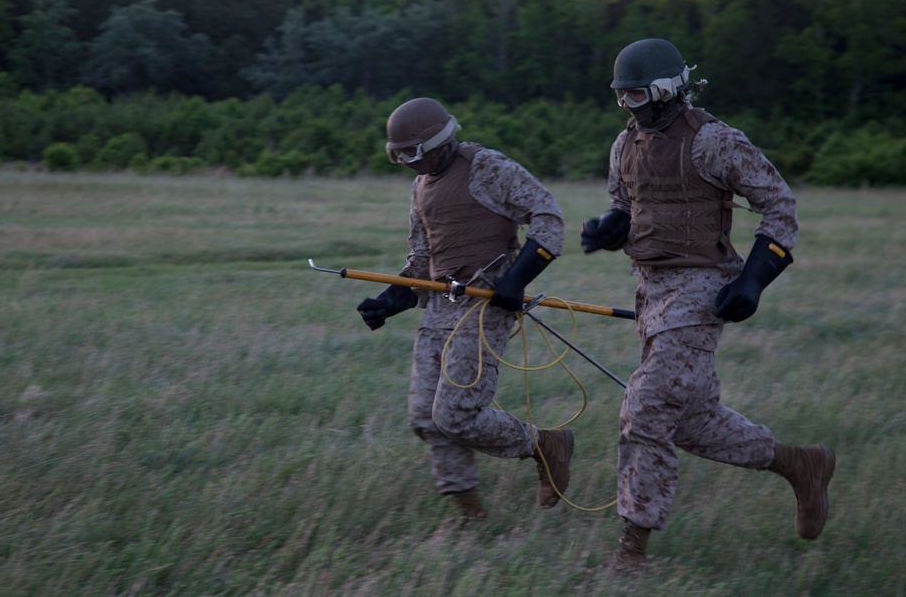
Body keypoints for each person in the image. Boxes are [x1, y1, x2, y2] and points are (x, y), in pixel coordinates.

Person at [580, 38, 835, 567]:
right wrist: (609, 229)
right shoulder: (624, 145)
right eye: (619, 97)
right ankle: (799, 464)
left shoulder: (714, 141)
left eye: (634, 95)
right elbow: (624, 205)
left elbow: (779, 203)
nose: (626, 106)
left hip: (700, 290)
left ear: (668, 90)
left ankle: (631, 552)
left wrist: (754, 279)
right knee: (688, 418)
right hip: (650, 289)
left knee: (647, 405)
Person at [356, 97, 573, 521]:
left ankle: (546, 445)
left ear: (438, 142)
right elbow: (421, 260)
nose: (406, 164)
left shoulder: (488, 167)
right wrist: (388, 301)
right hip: (439, 308)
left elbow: (548, 219)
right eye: (397, 156)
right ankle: (472, 520)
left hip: (484, 306)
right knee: (426, 418)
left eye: (411, 154)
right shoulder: (420, 187)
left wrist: (516, 280)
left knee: (457, 414)